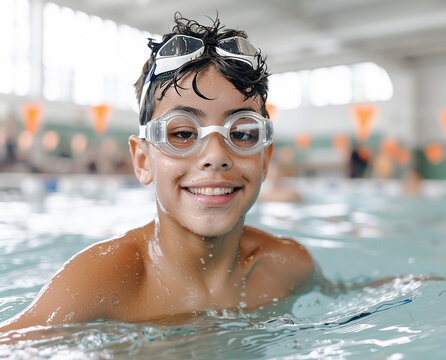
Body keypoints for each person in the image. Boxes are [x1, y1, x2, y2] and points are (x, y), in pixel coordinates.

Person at [0, 13, 313, 332]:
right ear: (142, 161)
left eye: (242, 134)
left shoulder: (288, 266)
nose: (216, 156)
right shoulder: (97, 283)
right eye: (182, 134)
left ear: (264, 159)